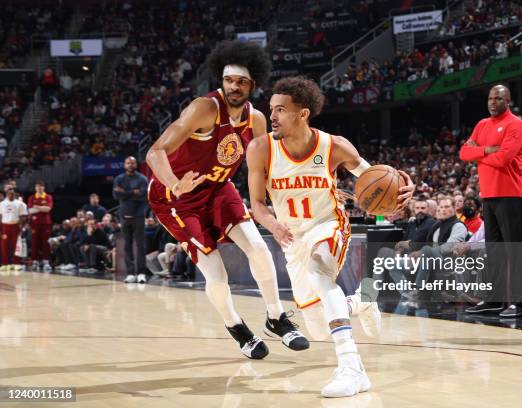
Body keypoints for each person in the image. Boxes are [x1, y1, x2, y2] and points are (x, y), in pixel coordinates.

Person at [246, 76, 413, 398]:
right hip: (291, 237)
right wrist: (271, 223)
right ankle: (362, 300)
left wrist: (402, 190)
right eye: (271, 110)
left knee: (320, 270)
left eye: (281, 110)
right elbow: (256, 203)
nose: (274, 117)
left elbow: (374, 179)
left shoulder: (334, 145)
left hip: (328, 223)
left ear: (302, 113)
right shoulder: (261, 148)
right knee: (318, 328)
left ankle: (352, 368)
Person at [146, 40, 307, 360]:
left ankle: (276, 318)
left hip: (219, 188)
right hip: (175, 198)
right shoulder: (203, 108)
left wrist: (283, 202)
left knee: (259, 248)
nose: (234, 86)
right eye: (229, 80)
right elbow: (155, 152)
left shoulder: (257, 120)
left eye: (242, 82)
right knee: (216, 273)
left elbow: (265, 168)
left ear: (253, 85)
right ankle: (237, 328)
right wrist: (175, 184)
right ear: (221, 80)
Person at [459, 84, 522, 318]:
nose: (492, 102)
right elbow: (463, 153)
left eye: (498, 98)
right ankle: (495, 300)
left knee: (515, 251)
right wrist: (488, 149)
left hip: (513, 194)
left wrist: (478, 152)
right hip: (489, 196)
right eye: (490, 98)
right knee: (495, 252)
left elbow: (503, 159)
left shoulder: (515, 124)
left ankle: (520, 304)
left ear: (508, 100)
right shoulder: (481, 124)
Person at [113, 156, 149, 284]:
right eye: (128, 163)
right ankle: (130, 273)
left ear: (136, 164)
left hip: (138, 215)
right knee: (127, 246)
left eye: (132, 162)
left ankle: (141, 273)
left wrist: (125, 193)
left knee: (140, 246)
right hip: (124, 215)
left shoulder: (142, 179)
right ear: (124, 165)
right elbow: (116, 195)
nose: (130, 165)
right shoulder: (119, 179)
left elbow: (142, 196)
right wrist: (133, 192)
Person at [27, 181, 53, 272]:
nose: (39, 188)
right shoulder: (31, 197)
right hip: (34, 224)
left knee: (46, 243)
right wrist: (42, 207)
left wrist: (37, 207)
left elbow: (48, 209)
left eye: (41, 186)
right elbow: (30, 210)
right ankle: (35, 261)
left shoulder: (48, 197)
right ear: (35, 188)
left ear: (44, 188)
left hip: (46, 223)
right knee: (35, 243)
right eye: (38, 187)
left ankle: (46, 262)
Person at [0, 187, 28, 271]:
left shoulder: (21, 204)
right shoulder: (2, 204)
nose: (10, 195)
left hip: (16, 226)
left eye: (12, 193)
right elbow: (0, 216)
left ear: (15, 194)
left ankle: (16, 264)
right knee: (4, 246)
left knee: (16, 245)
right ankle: (5, 264)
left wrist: (21, 227)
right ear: (6, 194)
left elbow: (23, 216)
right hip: (5, 226)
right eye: (9, 193)